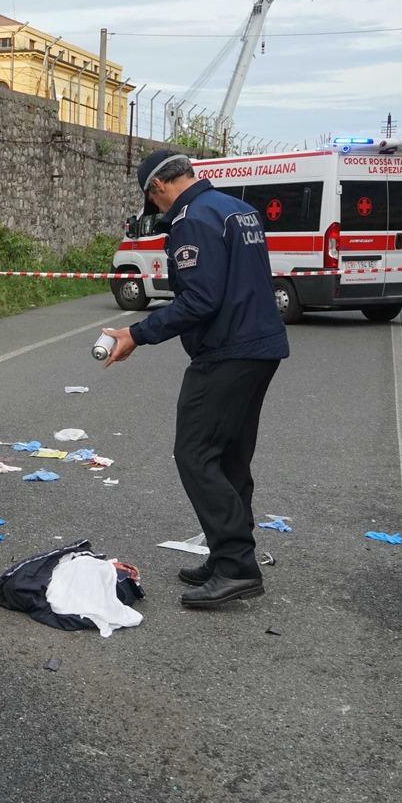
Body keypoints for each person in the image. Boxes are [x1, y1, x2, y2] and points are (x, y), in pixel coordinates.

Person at [100, 150, 289, 609]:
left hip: (226, 351)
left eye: (155, 203)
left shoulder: (192, 219)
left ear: (157, 187)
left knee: (195, 453)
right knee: (229, 456)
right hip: (260, 346)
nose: (159, 211)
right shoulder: (236, 209)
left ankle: (236, 567)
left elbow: (200, 299)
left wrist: (136, 334)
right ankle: (227, 553)